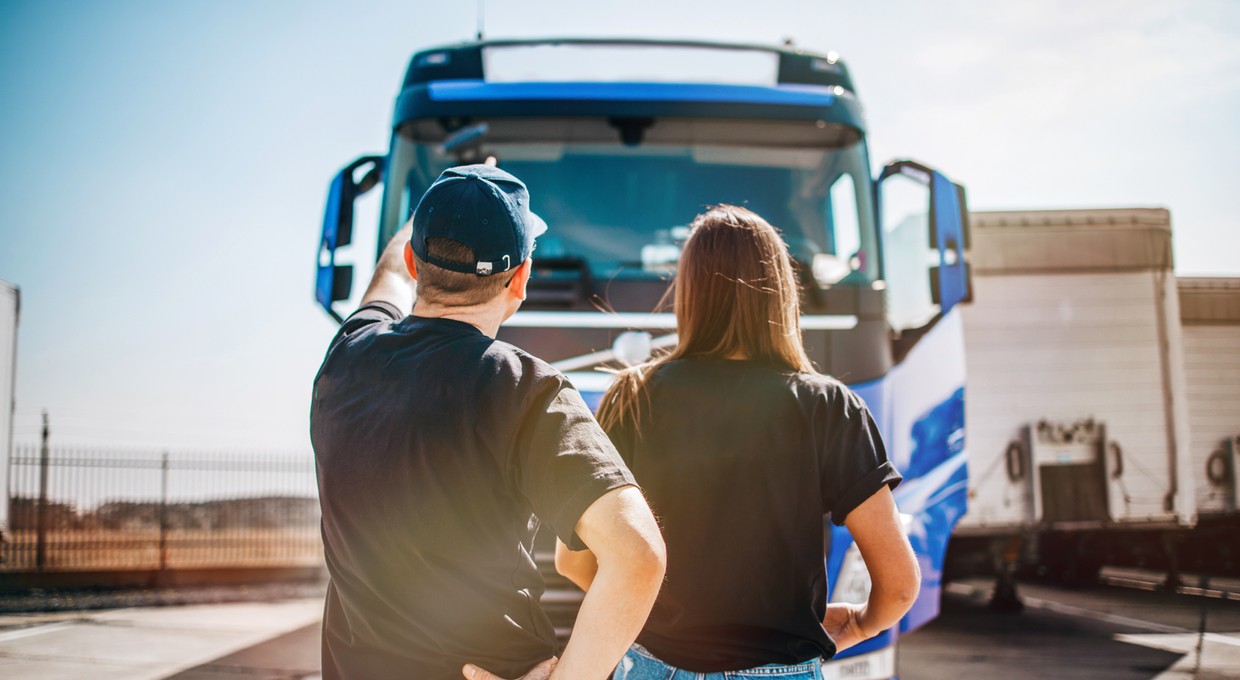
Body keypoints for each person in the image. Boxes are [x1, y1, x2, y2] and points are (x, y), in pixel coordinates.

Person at [311, 164, 666, 680]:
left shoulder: (346, 357)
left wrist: (448, 199)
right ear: (521, 279)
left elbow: (385, 276)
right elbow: (638, 555)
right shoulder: (526, 389)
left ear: (416, 260)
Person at [556, 205, 920, 679]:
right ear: (782, 291)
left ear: (688, 292)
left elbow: (573, 561)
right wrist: (857, 624)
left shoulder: (631, 397)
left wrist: (641, 617)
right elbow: (899, 586)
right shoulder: (830, 407)